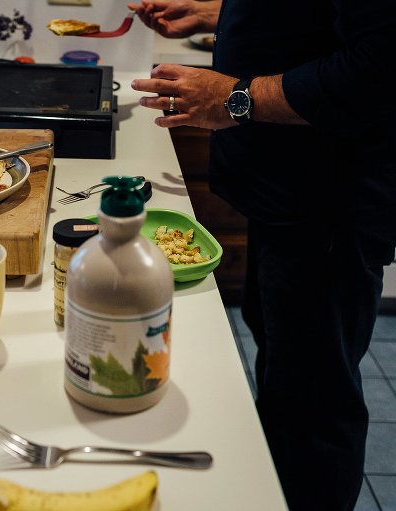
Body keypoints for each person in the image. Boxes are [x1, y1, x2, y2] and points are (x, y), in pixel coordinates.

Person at [129, 1, 396, 509]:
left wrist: (235, 97)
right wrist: (224, 12)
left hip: (328, 209)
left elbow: (379, 65)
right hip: (286, 201)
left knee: (315, 409)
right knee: (286, 383)